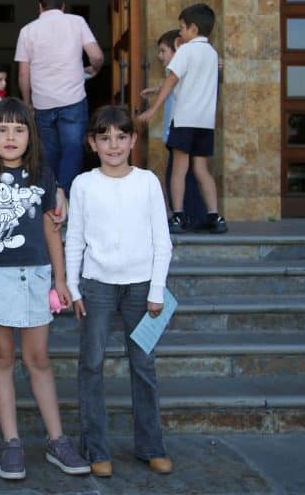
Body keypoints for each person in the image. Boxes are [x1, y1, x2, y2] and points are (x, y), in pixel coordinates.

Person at [0, 97, 90, 480]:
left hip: (35, 276)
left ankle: (56, 440)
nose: (11, 137)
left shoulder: (42, 175)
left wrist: (61, 280)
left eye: (19, 129)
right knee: (2, 356)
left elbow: (51, 230)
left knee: (38, 358)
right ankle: (12, 442)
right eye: (2, 129)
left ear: (31, 135)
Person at [65, 105, 174, 478]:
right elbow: (75, 239)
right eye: (105, 138)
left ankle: (151, 446)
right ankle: (96, 448)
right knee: (91, 363)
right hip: (96, 286)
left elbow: (162, 240)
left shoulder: (147, 182)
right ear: (92, 143)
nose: (113, 145)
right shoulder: (83, 184)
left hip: (141, 289)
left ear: (133, 140)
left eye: (121, 137)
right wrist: (73, 286)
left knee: (143, 365)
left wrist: (157, 290)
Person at [137, 3, 227, 234]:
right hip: (204, 124)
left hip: (185, 120)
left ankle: (178, 215)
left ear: (193, 29)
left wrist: (153, 109)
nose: (180, 32)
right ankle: (215, 216)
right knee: (201, 169)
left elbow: (171, 81)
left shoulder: (186, 51)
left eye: (182, 28)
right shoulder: (212, 54)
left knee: (179, 169)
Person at [14, 0, 104, 195]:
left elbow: (23, 74)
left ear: (40, 7)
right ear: (63, 6)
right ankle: (66, 196)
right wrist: (94, 69)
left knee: (49, 153)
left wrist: (27, 102)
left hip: (43, 102)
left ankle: (50, 198)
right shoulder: (77, 22)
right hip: (73, 99)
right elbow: (97, 56)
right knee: (72, 150)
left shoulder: (27, 31)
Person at [141, 30, 207, 229]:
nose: (159, 56)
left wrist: (152, 109)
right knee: (181, 174)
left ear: (177, 51)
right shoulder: (177, 74)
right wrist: (156, 90)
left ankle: (190, 217)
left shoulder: (182, 69)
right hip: (180, 130)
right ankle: (190, 216)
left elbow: (174, 85)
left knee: (180, 175)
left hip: (181, 130)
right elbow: (172, 86)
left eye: (163, 51)